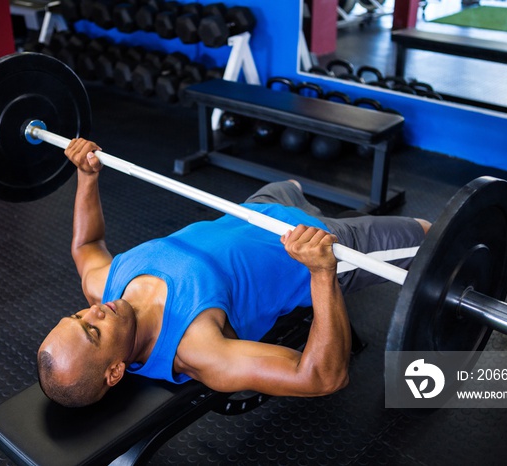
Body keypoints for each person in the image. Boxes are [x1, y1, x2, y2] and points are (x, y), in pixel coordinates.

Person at [37, 138, 431, 407]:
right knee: (433, 237)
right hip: (319, 245)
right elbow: (323, 377)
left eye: (77, 315)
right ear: (115, 371)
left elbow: (86, 247)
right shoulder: (199, 349)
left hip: (257, 207)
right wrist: (323, 274)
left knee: (291, 183)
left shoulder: (104, 289)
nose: (94, 311)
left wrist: (87, 177)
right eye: (92, 331)